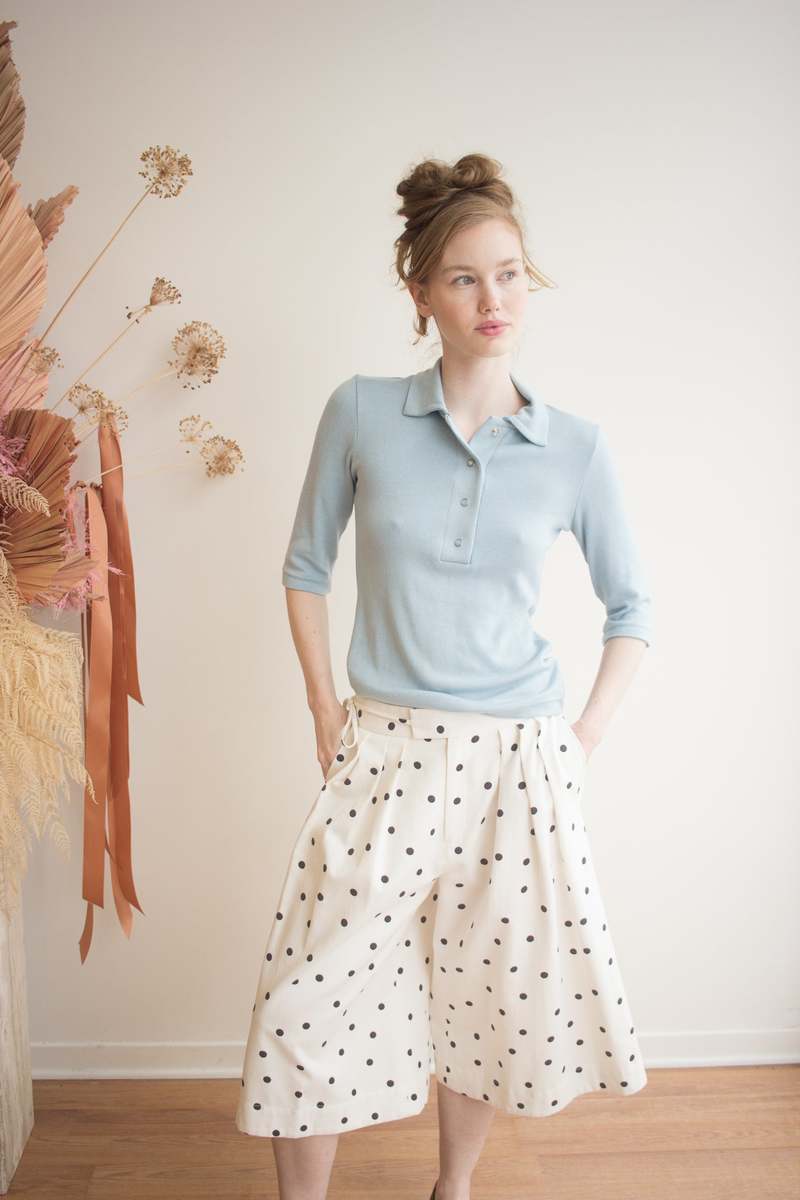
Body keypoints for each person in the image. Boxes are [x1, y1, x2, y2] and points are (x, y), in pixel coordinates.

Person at [234, 152, 654, 1200]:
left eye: (509, 274)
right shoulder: (361, 411)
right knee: (308, 999)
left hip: (518, 761)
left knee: (485, 1001)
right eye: (464, 278)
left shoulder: (573, 447)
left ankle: (451, 1188)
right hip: (384, 748)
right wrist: (321, 707)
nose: (492, 299)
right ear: (420, 291)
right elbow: (303, 569)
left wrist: (578, 740)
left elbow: (632, 611)